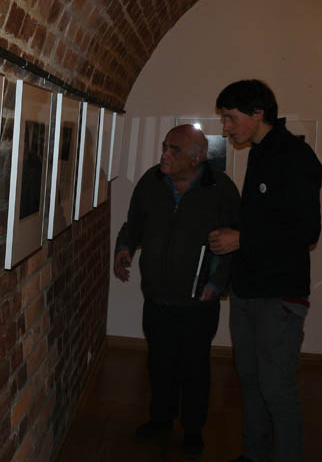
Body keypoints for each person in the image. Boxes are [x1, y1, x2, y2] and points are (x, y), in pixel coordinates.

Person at [209, 80, 322, 462]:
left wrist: (242, 238)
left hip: (279, 294)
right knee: (251, 379)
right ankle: (254, 455)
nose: (225, 127)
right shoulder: (260, 151)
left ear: (258, 113)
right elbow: (269, 220)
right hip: (249, 289)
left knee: (276, 389)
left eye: (230, 117)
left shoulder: (295, 155)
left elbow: (307, 230)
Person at [114, 124, 240, 459]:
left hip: (199, 300)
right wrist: (124, 246)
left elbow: (235, 241)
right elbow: (134, 222)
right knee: (159, 363)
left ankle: (193, 431)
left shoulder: (221, 189)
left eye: (174, 150)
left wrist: (217, 284)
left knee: (194, 367)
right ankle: (160, 420)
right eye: (164, 147)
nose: (164, 155)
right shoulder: (151, 181)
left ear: (196, 158)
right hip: (157, 296)